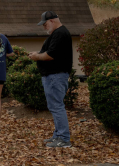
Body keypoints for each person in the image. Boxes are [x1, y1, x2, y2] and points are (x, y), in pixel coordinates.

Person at [28, 11, 73, 148]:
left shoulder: (60, 33)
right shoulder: (58, 34)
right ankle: (58, 135)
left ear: (52, 21)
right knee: (54, 106)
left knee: (57, 106)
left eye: (45, 24)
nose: (44, 27)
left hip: (56, 76)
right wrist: (38, 54)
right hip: (53, 76)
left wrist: (37, 56)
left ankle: (64, 138)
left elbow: (51, 55)